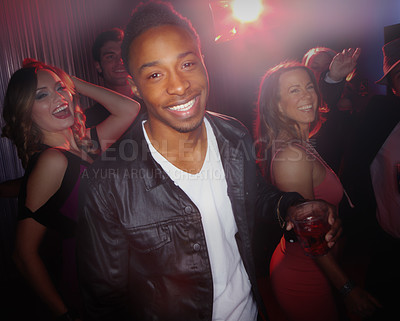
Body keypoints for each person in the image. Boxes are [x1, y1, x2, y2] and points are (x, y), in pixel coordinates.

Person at [76, 2, 342, 321]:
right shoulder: (107, 184)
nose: (178, 85)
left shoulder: (233, 134)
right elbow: (105, 301)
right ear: (134, 85)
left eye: (187, 64)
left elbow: (254, 195)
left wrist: (290, 205)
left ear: (203, 62)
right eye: (156, 73)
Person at [1, 58, 140, 320]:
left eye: (60, 89)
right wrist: (65, 314)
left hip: (123, 277)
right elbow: (23, 254)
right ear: (25, 111)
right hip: (90, 288)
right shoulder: (52, 161)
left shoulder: (84, 143)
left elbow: (129, 108)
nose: (59, 98)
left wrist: (69, 81)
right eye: (42, 95)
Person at [254, 61, 380, 321]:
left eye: (309, 87)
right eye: (294, 90)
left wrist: (334, 78)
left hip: (318, 268)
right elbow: (310, 237)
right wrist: (348, 289)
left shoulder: (301, 143)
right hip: (305, 273)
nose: (307, 96)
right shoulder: (291, 156)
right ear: (277, 105)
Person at [340, 37, 400, 321]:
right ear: (393, 85)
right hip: (391, 243)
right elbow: (337, 130)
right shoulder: (381, 115)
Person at [303, 46, 361, 173]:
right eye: (315, 67)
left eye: (328, 66)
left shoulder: (348, 102)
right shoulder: (296, 102)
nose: (322, 72)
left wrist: (333, 79)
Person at [84, 27, 138, 127]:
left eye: (124, 55)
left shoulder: (152, 103)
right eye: (110, 57)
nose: (120, 61)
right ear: (98, 66)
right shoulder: (89, 119)